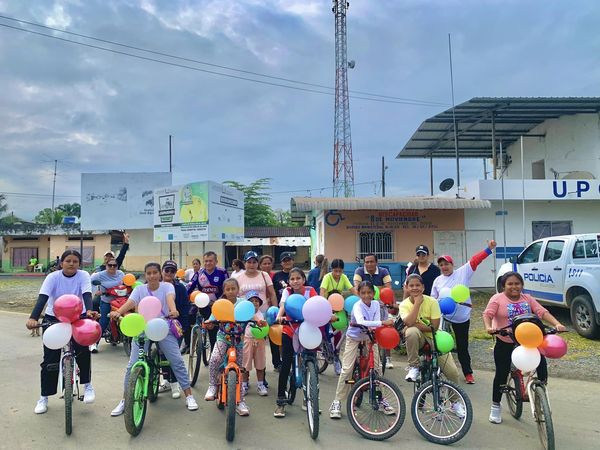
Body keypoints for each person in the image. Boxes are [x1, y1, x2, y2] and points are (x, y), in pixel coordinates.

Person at [109, 262, 199, 416]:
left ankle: (189, 396)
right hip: (142, 328)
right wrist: (118, 312)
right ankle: (125, 400)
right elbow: (130, 302)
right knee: (132, 365)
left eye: (155, 272)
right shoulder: (139, 289)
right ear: (145, 275)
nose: (152, 276)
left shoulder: (167, 287)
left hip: (163, 326)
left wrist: (173, 310)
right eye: (149, 273)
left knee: (176, 360)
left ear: (160, 274)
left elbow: (170, 299)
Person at [483, 271, 566, 424]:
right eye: (510, 284)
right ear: (503, 286)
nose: (514, 286)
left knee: (541, 364)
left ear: (522, 285)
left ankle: (540, 391)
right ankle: (495, 406)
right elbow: (487, 314)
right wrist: (489, 327)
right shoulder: (497, 299)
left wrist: (557, 324)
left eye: (517, 283)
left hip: (528, 340)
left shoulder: (527, 298)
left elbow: (542, 312)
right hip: (505, 340)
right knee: (501, 374)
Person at [26, 250, 99, 414]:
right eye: (68, 261)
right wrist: (33, 318)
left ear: (79, 264)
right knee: (49, 360)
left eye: (75, 261)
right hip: (54, 317)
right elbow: (43, 298)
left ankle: (87, 386)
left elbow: (87, 294)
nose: (71, 264)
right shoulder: (53, 277)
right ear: (61, 263)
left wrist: (89, 311)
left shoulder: (83, 275)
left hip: (78, 316)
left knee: (83, 351)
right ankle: (44, 397)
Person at [431, 240, 497, 385]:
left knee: (462, 346)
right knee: (441, 345)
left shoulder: (463, 272)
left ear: (452, 265)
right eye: (441, 265)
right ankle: (441, 371)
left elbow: (475, 260)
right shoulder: (437, 280)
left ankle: (468, 373)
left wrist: (488, 249)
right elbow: (433, 299)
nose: (444, 267)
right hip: (444, 317)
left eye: (446, 264)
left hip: (462, 318)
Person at [329, 281, 394, 419]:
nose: (366, 295)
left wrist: (378, 324)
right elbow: (361, 321)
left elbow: (375, 323)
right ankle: (337, 401)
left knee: (377, 369)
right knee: (347, 369)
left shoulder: (375, 304)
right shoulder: (357, 306)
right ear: (358, 294)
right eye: (363, 293)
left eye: (369, 292)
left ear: (374, 293)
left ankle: (381, 399)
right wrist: (382, 323)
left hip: (370, 337)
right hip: (354, 338)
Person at [274, 268, 319, 418]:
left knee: (311, 363)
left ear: (303, 279)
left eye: (298, 278)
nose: (295, 281)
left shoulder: (310, 291)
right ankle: (280, 401)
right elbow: (283, 306)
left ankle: (311, 399)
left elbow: (317, 306)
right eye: (292, 279)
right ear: (289, 281)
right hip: (290, 330)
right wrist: (279, 317)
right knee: (286, 365)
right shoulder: (287, 292)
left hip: (308, 330)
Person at [204, 278, 251, 416]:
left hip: (238, 340)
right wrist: (209, 322)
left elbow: (252, 315)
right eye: (228, 289)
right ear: (224, 291)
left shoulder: (243, 303)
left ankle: (240, 401)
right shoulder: (220, 304)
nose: (230, 291)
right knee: (215, 359)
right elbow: (212, 318)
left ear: (238, 289)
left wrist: (259, 321)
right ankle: (212, 386)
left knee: (239, 369)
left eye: (233, 288)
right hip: (223, 338)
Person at [236, 251, 278, 369]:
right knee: (245, 345)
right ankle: (244, 374)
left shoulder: (264, 275)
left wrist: (275, 310)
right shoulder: (238, 278)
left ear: (257, 263)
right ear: (244, 263)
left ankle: (262, 373)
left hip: (262, 314)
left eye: (254, 262)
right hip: (244, 316)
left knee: (261, 345)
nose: (251, 265)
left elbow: (272, 293)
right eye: (249, 262)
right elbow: (236, 296)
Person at [158, 260, 191, 397]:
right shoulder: (155, 285)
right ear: (162, 271)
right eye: (167, 270)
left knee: (174, 356)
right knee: (161, 355)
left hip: (175, 326)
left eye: (172, 271)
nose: (169, 273)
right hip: (157, 325)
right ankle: (166, 380)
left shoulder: (180, 288)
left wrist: (183, 327)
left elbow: (185, 308)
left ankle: (175, 383)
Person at [186, 251, 229, 351]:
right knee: (211, 329)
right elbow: (190, 286)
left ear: (216, 261)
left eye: (210, 261)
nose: (208, 263)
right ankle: (213, 350)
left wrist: (221, 300)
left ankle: (221, 349)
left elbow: (228, 287)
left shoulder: (222, 272)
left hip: (219, 305)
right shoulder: (199, 273)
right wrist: (185, 296)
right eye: (206, 261)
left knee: (221, 329)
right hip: (205, 305)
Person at [90, 257, 125, 352]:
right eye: (110, 265)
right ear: (106, 266)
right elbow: (89, 282)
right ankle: (94, 343)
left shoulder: (121, 274)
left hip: (120, 301)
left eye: (115, 265)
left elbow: (126, 284)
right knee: (104, 321)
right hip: (106, 301)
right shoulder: (99, 275)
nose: (112, 267)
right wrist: (96, 291)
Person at [242, 291, 268, 397]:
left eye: (256, 301)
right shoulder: (244, 314)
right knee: (245, 364)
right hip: (247, 340)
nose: (254, 303)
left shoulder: (263, 314)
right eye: (251, 301)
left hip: (260, 341)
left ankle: (261, 384)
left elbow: (266, 327)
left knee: (260, 364)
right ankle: (244, 384)